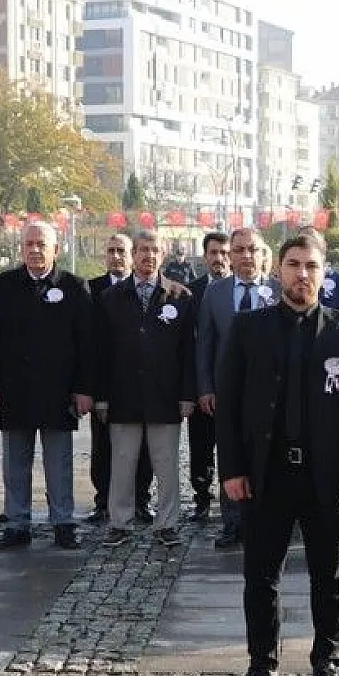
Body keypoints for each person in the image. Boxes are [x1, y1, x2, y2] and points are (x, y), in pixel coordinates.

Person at [218, 235, 339, 676]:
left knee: (329, 578)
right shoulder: (248, 328)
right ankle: (260, 665)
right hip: (266, 474)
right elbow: (229, 405)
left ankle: (327, 666)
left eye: (311, 265)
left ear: (325, 274)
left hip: (326, 476)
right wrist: (232, 468)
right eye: (293, 264)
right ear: (278, 270)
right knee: (260, 576)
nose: (302, 274)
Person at [0, 220, 93, 552]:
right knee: (15, 462)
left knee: (59, 462)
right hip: (15, 389)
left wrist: (84, 388)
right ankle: (17, 524)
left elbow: (87, 344)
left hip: (58, 391)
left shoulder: (74, 287)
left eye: (41, 244)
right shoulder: (4, 285)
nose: (35, 250)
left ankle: (63, 522)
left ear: (56, 249)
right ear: (21, 249)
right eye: (29, 244)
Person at [94, 227, 197, 546]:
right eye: (142, 250)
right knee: (122, 462)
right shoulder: (111, 297)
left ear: (162, 255)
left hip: (165, 395)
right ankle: (120, 523)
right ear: (133, 254)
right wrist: (101, 397)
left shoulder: (180, 296)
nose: (148, 256)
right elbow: (101, 351)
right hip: (123, 394)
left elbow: (188, 351)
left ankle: (166, 523)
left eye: (154, 250)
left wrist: (187, 395)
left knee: (166, 464)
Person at [196, 225, 280, 549]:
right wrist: (205, 387)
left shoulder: (277, 290)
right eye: (240, 250)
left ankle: (268, 519)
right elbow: (205, 343)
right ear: (230, 256)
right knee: (230, 456)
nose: (247, 255)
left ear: (263, 253)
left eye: (253, 249)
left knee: (268, 456)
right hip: (227, 392)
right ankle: (232, 522)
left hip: (270, 393)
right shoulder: (215, 293)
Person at [86, 233, 153, 526]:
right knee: (103, 446)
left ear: (132, 255)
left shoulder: (147, 289)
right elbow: (92, 342)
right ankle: (103, 501)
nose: (116, 256)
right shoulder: (92, 289)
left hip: (141, 383)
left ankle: (141, 500)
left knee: (144, 447)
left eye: (121, 251)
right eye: (111, 250)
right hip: (108, 381)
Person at [187, 231, 233, 521]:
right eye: (214, 253)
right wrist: (200, 386)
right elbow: (194, 342)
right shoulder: (190, 292)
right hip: (203, 383)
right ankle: (202, 498)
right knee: (201, 447)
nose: (219, 258)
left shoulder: (242, 290)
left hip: (234, 386)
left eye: (224, 253)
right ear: (205, 257)